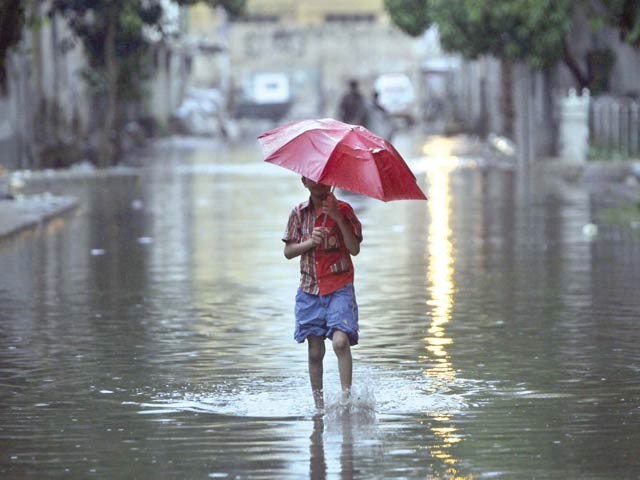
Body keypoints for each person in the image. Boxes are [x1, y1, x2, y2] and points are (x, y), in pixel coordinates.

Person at [282, 177, 363, 410]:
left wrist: (337, 217)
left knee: (340, 342)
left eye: (324, 180)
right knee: (315, 350)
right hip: (309, 289)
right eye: (314, 180)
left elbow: (354, 249)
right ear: (304, 182)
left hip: (339, 286)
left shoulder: (345, 210)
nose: (320, 184)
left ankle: (346, 400)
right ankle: (319, 406)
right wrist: (309, 242)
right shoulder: (298, 213)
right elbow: (288, 251)